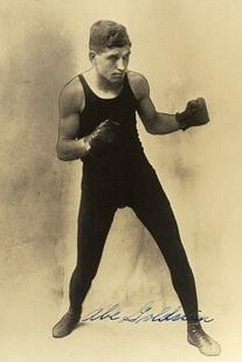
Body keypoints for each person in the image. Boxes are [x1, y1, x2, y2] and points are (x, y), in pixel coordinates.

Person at [52, 20, 221, 356]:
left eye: (127, 56)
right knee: (87, 264)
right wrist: (90, 143)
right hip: (99, 187)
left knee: (175, 249)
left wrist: (184, 119)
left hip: (139, 179)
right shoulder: (73, 93)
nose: (122, 65)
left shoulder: (136, 83)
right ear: (93, 55)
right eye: (113, 57)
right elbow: (62, 147)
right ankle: (73, 312)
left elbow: (154, 123)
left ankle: (194, 326)